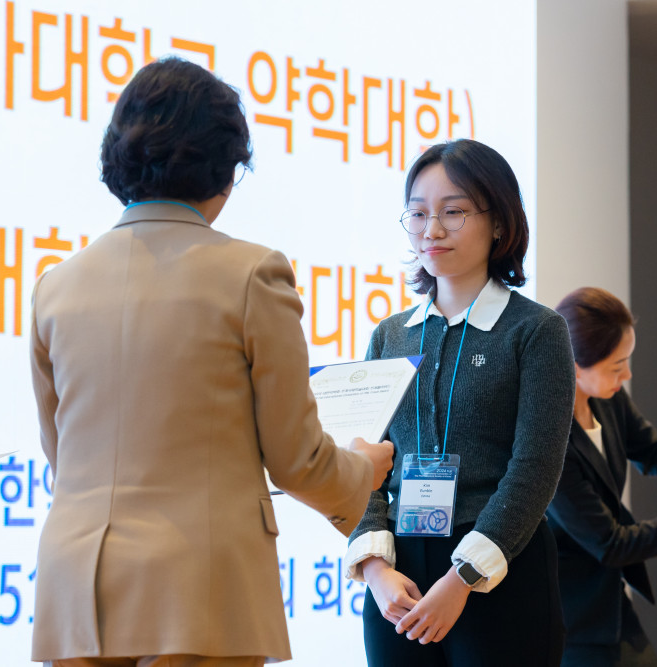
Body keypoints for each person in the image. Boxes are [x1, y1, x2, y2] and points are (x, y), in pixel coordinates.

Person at [28, 57, 394, 667]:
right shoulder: (253, 274)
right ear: (225, 167)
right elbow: (296, 458)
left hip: (75, 589)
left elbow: (60, 451)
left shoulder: (55, 286)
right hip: (198, 587)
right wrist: (362, 469)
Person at [344, 139, 576, 666]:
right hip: (398, 578)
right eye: (418, 213)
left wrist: (462, 578)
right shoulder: (390, 336)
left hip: (500, 570)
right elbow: (361, 462)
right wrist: (376, 570)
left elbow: (535, 469)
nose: (432, 230)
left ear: (499, 223)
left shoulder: (536, 331)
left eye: (453, 212)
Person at [547, 287, 657, 667]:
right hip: (571, 616)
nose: (627, 375)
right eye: (617, 366)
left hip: (610, 604)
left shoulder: (607, 398)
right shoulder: (549, 439)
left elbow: (655, 451)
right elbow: (609, 543)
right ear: (573, 365)